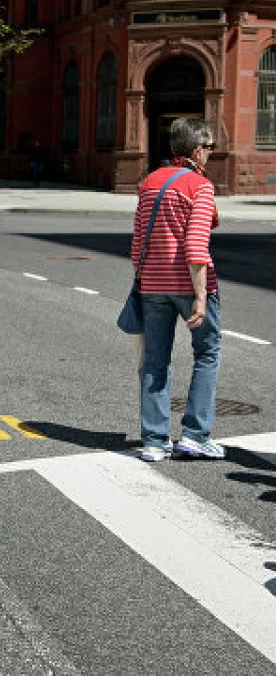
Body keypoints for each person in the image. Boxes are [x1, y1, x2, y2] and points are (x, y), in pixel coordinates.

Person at [132, 117, 224, 463]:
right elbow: (197, 245)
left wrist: (145, 279)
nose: (211, 155)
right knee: (207, 354)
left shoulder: (149, 181)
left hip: (152, 285)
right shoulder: (199, 185)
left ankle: (155, 441)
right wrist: (200, 296)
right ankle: (195, 435)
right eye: (210, 148)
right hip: (190, 285)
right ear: (198, 150)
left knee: (155, 360)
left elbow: (137, 241)